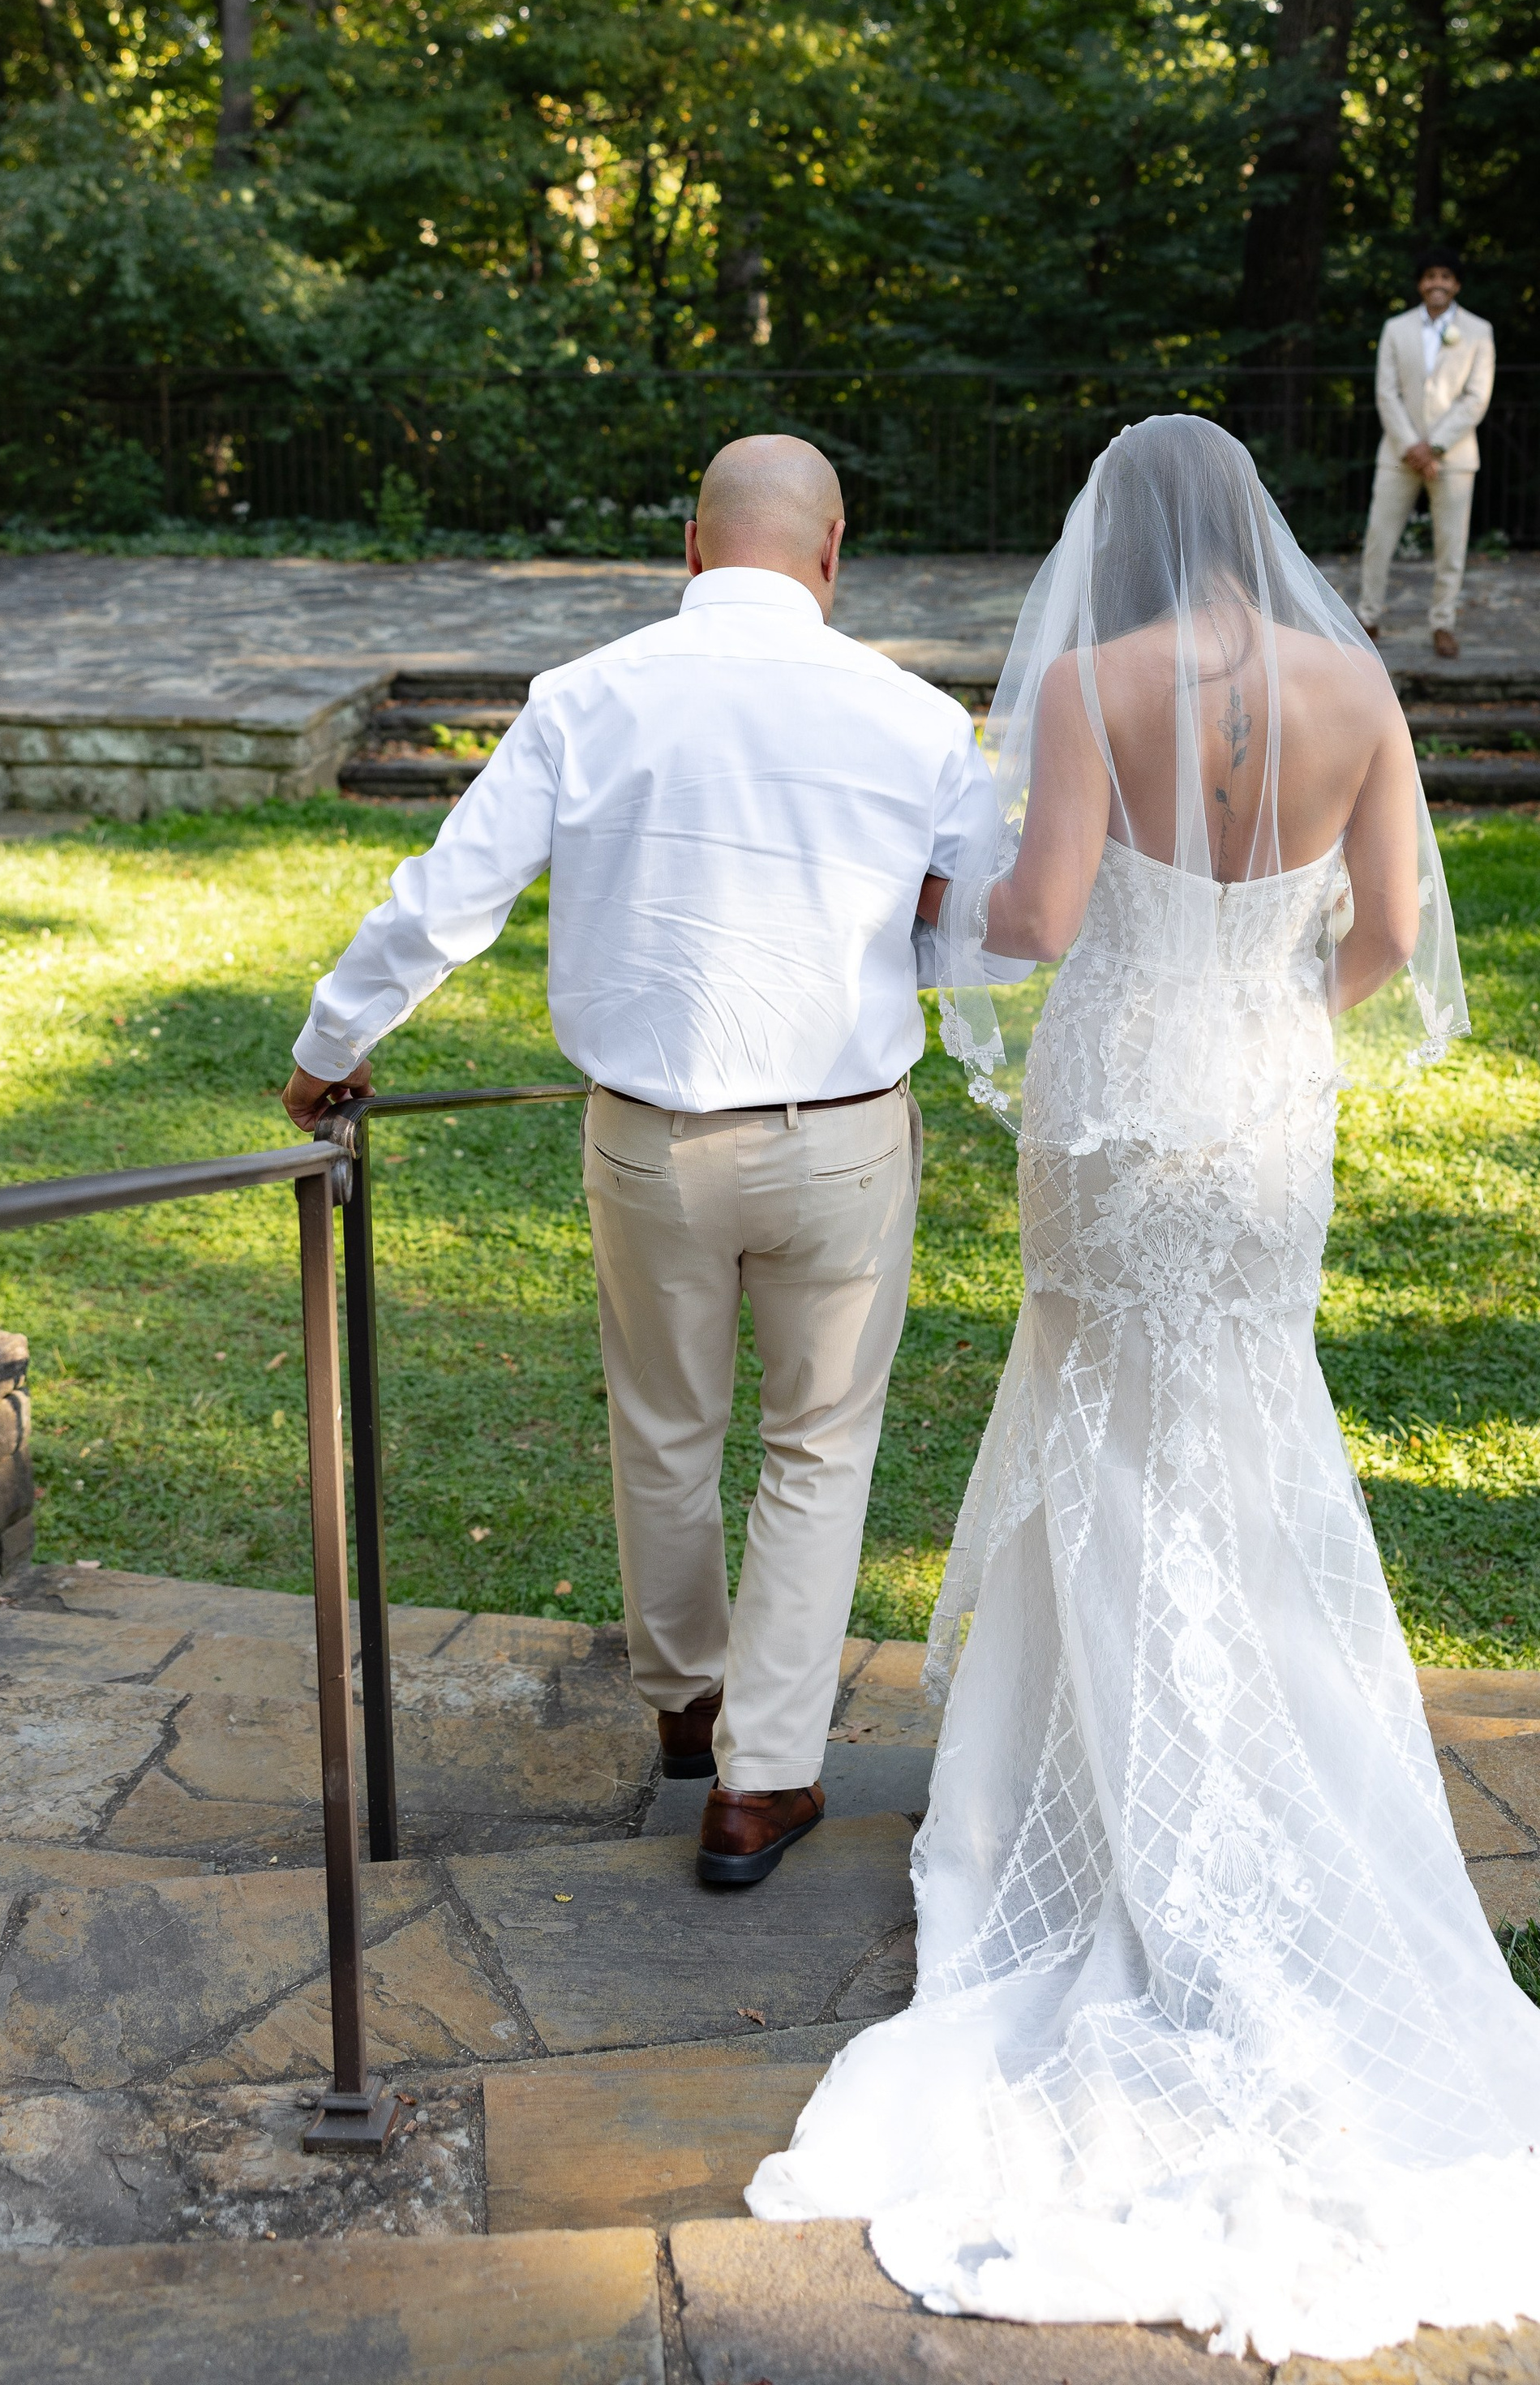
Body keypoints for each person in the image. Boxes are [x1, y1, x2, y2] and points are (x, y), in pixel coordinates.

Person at [748, 417, 1540, 2361]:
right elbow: (1383, 934)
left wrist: (911, 927)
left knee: (1099, 1439)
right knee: (1247, 1442)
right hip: (1262, 1109)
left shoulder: (1097, 684)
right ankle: (1252, 1760)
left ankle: (1096, 1800)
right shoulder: (1353, 680)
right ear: (1259, 540)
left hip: (1114, 1101)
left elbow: (1034, 919)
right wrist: (1273, 1020)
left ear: (1114, 547)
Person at [280, 435, 1000, 1889]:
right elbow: (982, 927)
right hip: (843, 1137)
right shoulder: (915, 715)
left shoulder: (587, 696)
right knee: (817, 1449)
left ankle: (689, 1704)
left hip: (650, 1139)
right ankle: (765, 1778)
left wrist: (331, 1039)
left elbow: (448, 898)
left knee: (666, 1430)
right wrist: (900, 938)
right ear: (831, 551)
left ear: (690, 546)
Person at [1357, 250, 1495, 661]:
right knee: (1379, 538)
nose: (1438, 283)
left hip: (1453, 456)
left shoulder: (1478, 330)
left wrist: (1434, 446)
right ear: (1420, 283)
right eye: (1430, 276)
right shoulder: (1396, 328)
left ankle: (1442, 622)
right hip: (1399, 454)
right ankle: (1367, 618)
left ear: (1456, 284)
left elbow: (1476, 397)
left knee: (1451, 546)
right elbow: (1386, 391)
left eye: (1446, 276)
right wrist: (1412, 447)